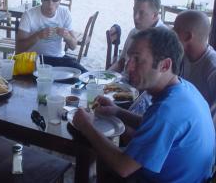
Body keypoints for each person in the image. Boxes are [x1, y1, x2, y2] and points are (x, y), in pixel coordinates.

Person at [73, 27, 215, 182]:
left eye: (138, 59)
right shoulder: (185, 89)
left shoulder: (167, 111)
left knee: (103, 156)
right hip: (194, 177)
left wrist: (86, 126)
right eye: (129, 58)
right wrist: (117, 111)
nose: (129, 67)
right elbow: (154, 125)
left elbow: (123, 167)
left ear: (164, 66)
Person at [16, 0, 85, 72]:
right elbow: (18, 49)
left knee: (85, 76)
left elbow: (73, 46)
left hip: (58, 59)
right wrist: (37, 36)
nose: (50, 4)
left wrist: (67, 36)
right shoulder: (28, 15)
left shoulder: (65, 13)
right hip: (34, 61)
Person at [174, 10, 216, 126]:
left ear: (188, 36)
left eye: (176, 30)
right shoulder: (184, 55)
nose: (171, 35)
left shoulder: (212, 67)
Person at [110, 0, 166, 74]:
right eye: (134, 11)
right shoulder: (134, 31)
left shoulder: (164, 39)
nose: (135, 17)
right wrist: (103, 78)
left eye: (141, 13)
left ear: (154, 15)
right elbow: (121, 62)